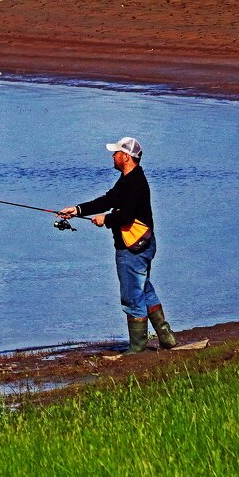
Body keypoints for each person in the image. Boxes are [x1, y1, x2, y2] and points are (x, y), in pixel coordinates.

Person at [57, 137, 176, 354]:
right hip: (142, 245)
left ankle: (138, 347)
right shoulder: (128, 179)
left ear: (126, 157)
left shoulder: (135, 183)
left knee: (132, 295)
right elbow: (108, 200)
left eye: (116, 153)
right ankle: (166, 338)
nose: (113, 156)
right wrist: (77, 210)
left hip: (132, 248)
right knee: (144, 289)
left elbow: (126, 215)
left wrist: (106, 220)